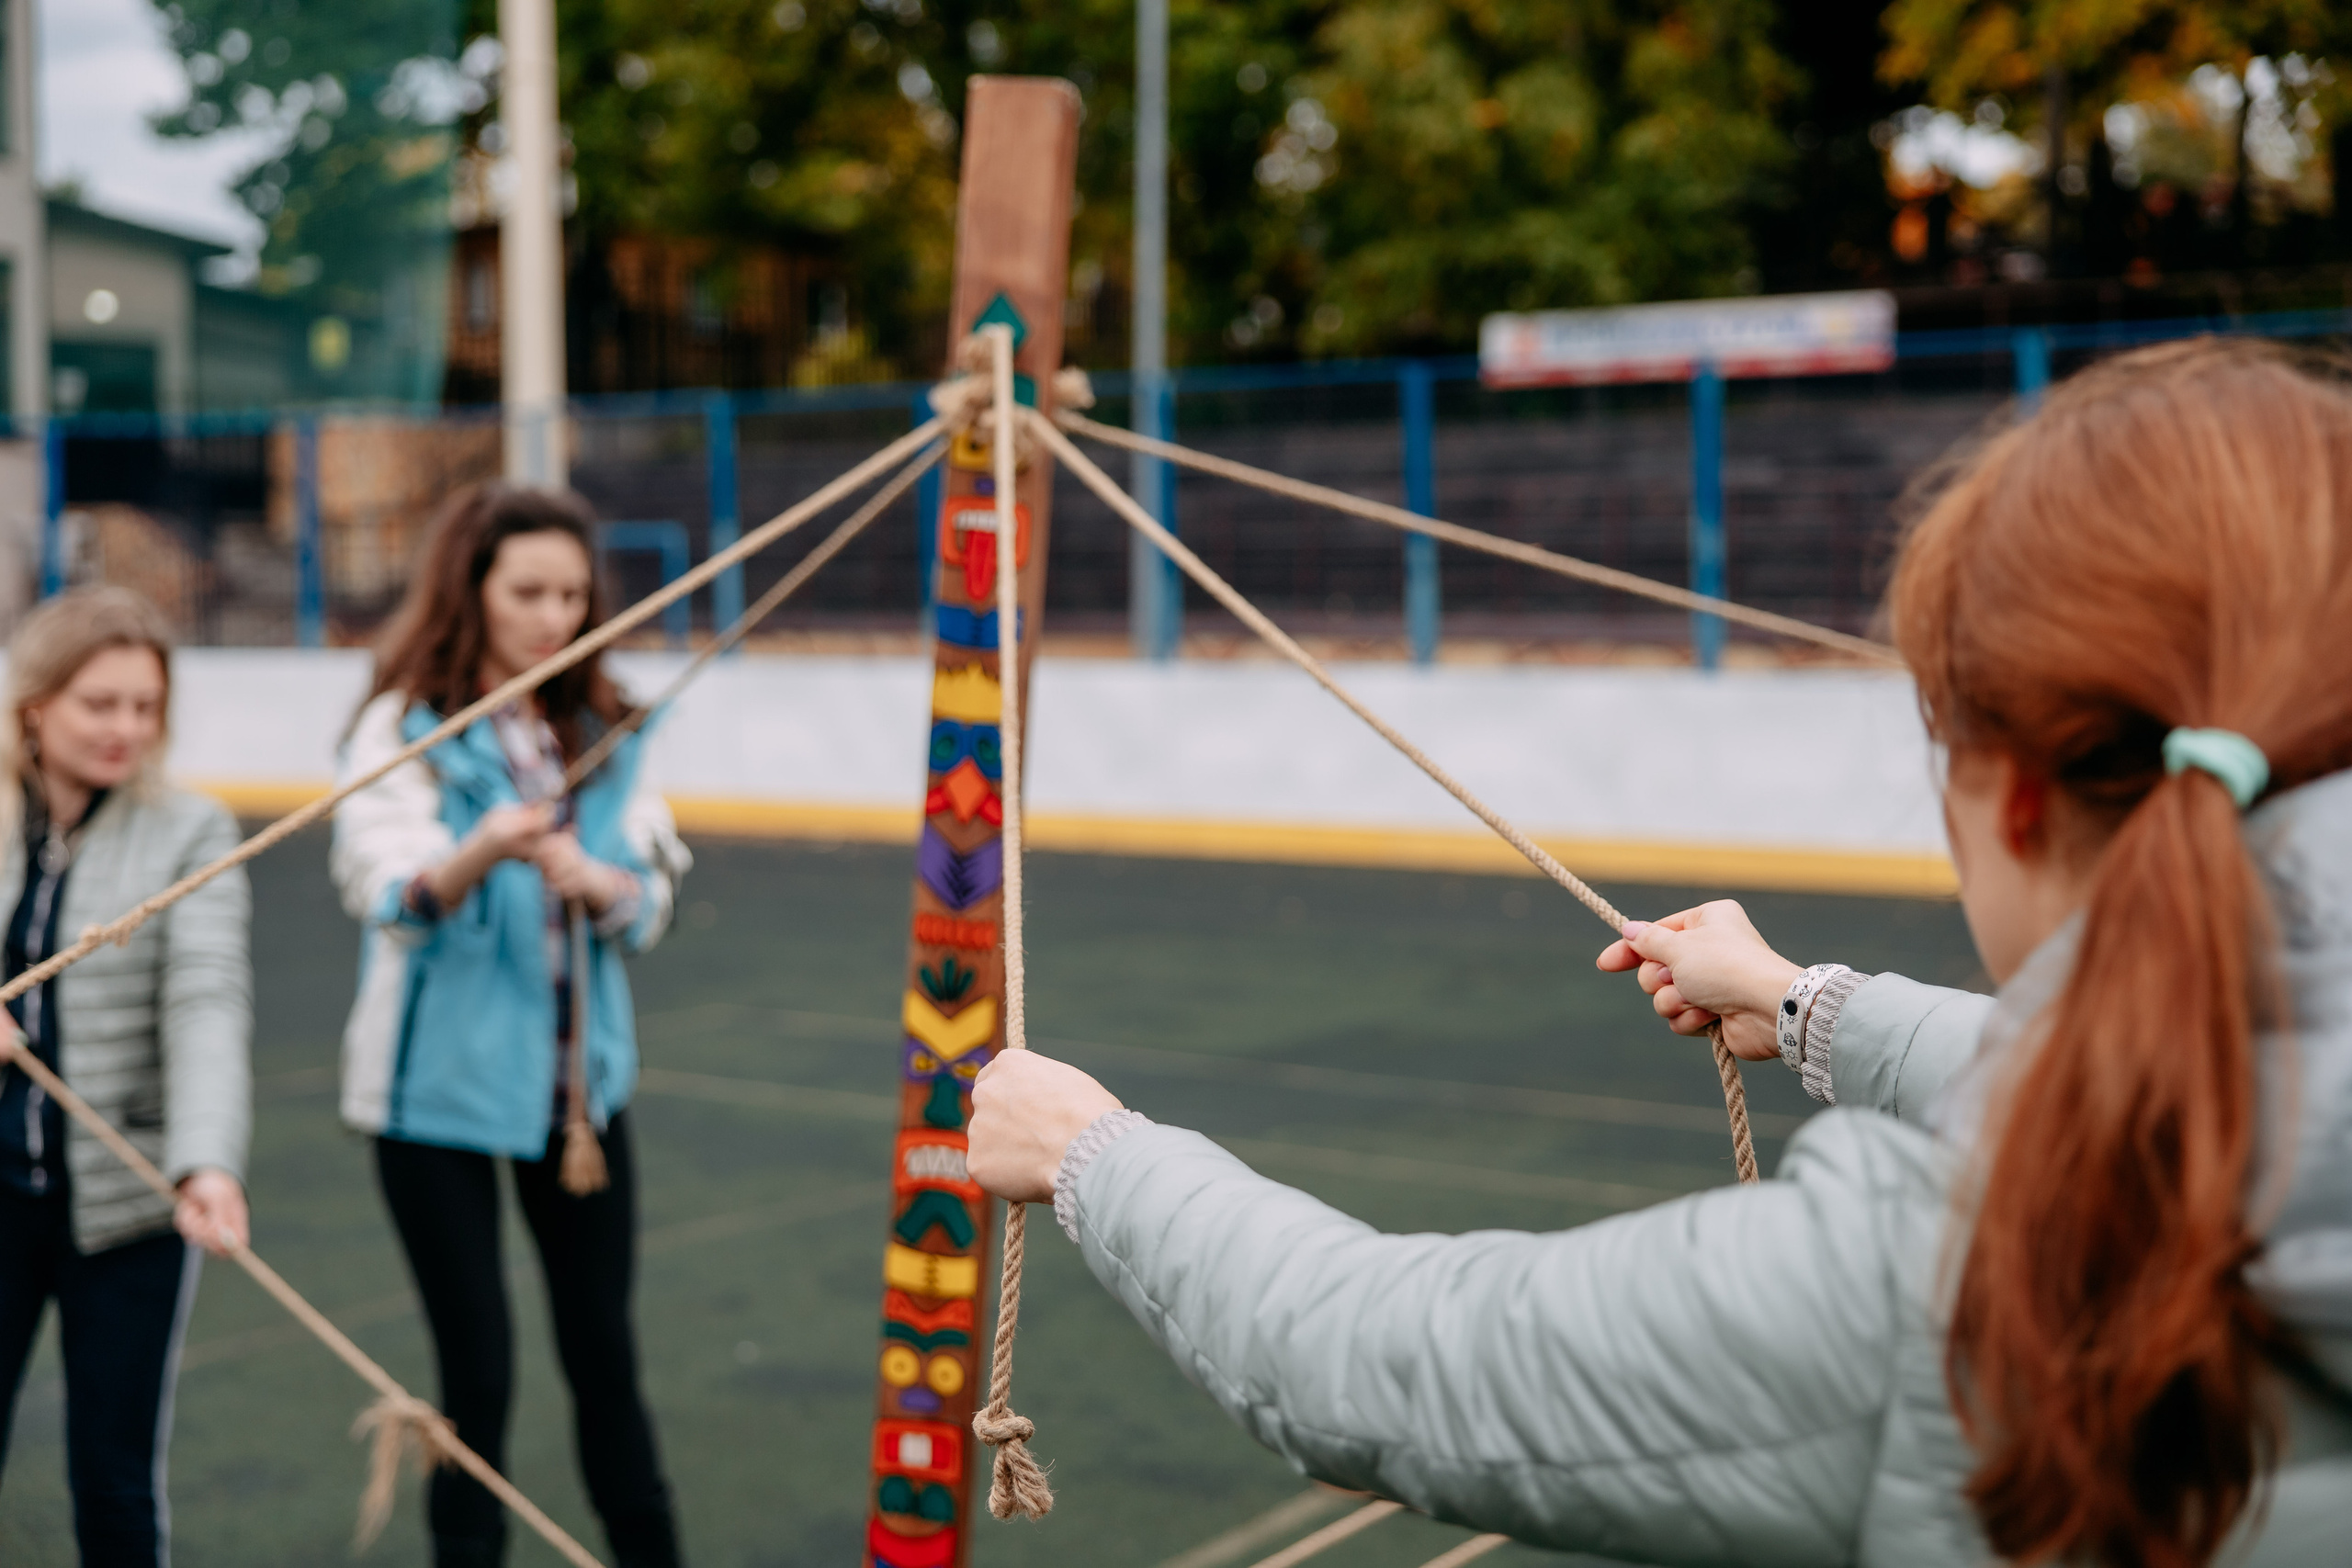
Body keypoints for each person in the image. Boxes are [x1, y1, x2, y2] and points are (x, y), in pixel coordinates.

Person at [964, 339, 2352, 1568]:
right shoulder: (2223, 1096)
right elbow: (2190, 1092)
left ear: (2020, 794)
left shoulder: (1979, 1270)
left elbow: (1378, 1364)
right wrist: (1813, 1006)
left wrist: (1090, 1150)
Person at [332, 483, 691, 1568]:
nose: (553, 615)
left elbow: (650, 893)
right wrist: (476, 851)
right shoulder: (402, 730)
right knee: (475, 1375)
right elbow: (385, 895)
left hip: (579, 1100)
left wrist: (601, 882)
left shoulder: (602, 723)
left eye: (573, 593)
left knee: (603, 1356)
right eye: (528, 590)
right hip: (432, 1098)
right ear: (472, 589)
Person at [0, 587, 253, 1567]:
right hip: (1, 1197)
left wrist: (206, 1163)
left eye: (145, 707)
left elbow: (207, 998)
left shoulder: (189, 831)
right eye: (99, 703)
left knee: (113, 1479)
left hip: (128, 1206)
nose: (127, 729)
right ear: (36, 703)